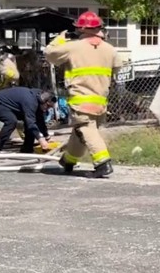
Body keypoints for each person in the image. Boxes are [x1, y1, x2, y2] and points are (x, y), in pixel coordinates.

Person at [44, 11, 120, 178]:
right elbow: (116, 68)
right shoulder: (110, 49)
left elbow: (49, 53)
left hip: (81, 98)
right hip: (100, 100)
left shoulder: (74, 46)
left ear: (82, 29)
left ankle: (103, 163)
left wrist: (61, 38)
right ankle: (69, 160)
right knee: (81, 131)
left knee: (85, 128)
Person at [0, 86, 56, 153]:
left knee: (31, 121)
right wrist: (40, 139)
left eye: (50, 107)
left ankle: (27, 149)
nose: (48, 109)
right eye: (48, 106)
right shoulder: (30, 101)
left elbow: (40, 121)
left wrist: (47, 137)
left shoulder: (39, 101)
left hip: (10, 105)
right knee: (11, 121)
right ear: (43, 100)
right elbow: (31, 123)